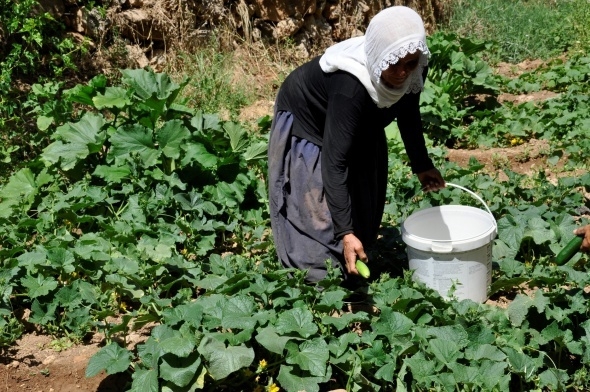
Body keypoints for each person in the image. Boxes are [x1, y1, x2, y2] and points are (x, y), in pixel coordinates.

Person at [267, 6, 445, 284]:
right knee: (315, 216)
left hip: (360, 118)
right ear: (377, 56)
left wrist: (422, 165)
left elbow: (408, 113)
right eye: (393, 63)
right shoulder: (350, 84)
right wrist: (345, 233)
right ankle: (317, 278)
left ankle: (352, 249)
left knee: (362, 194)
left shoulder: (413, 66)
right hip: (310, 120)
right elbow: (334, 162)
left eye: (409, 64)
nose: (401, 73)